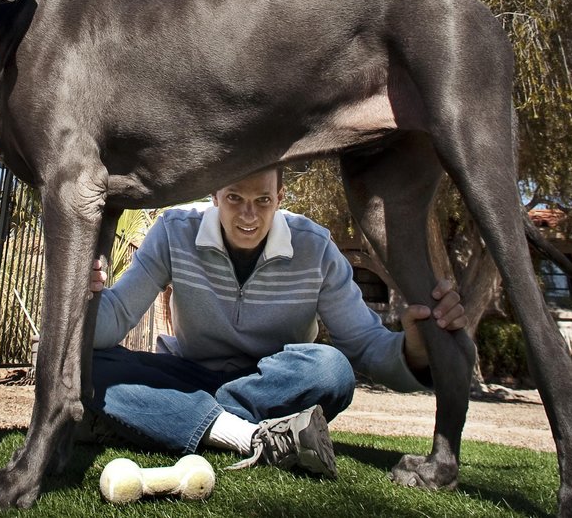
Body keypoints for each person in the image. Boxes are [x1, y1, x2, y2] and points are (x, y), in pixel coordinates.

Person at [84, 167, 465, 478]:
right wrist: (79, 301)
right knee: (86, 363)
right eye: (234, 198)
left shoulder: (316, 248)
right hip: (188, 374)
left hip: (274, 386)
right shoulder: (172, 232)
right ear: (214, 194)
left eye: (262, 200)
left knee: (332, 370)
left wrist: (413, 350)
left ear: (280, 198)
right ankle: (251, 437)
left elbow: (366, 345)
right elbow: (116, 316)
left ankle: (163, 417)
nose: (249, 215)